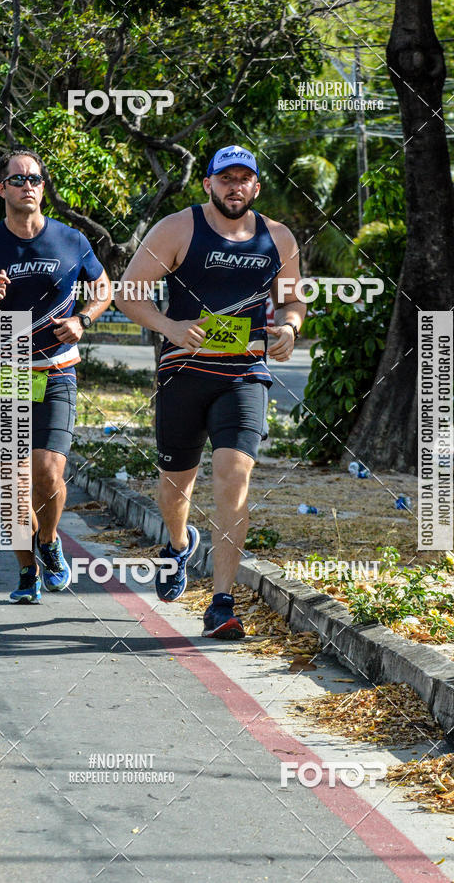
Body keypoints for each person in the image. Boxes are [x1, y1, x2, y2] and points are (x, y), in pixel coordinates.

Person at [115, 145, 305, 639]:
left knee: (233, 476)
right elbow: (128, 293)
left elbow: (291, 300)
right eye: (226, 178)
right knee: (175, 486)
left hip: (244, 374)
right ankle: (178, 546)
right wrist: (169, 327)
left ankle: (222, 602)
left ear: (256, 187)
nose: (234, 187)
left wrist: (289, 327)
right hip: (183, 373)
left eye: (244, 179)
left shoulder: (278, 238)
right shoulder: (178, 228)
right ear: (208, 183)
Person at [0, 147, 111, 603]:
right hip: (9, 366)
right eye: (18, 179)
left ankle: (49, 542)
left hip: (57, 366)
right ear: (2, 188)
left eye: (35, 179)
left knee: (47, 471)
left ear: (44, 187)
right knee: (14, 484)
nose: (28, 186)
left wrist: (83, 319)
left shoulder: (71, 239)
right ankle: (26, 573)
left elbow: (103, 288)